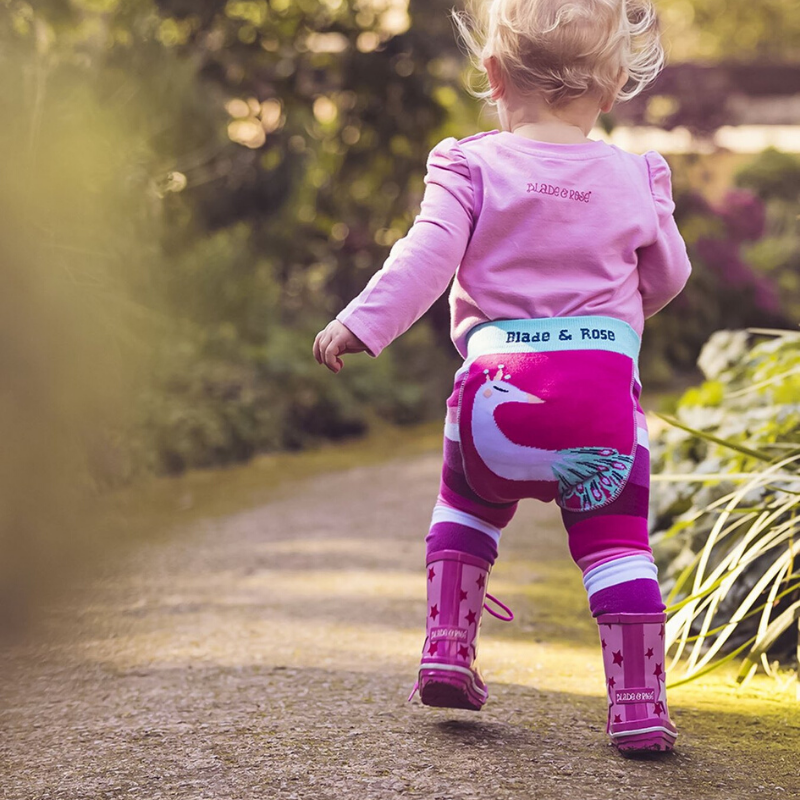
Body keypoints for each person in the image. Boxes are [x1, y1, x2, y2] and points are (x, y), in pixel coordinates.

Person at [313, 0, 691, 753]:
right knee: (617, 548)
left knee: (466, 510)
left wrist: (361, 321)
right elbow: (671, 274)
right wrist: (617, 318)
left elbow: (425, 257)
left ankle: (447, 646)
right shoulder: (637, 174)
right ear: (614, 87)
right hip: (600, 397)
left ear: (493, 75)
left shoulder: (469, 163)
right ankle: (640, 704)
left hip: (495, 386)